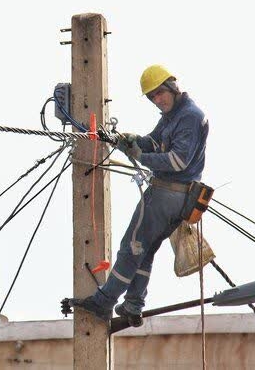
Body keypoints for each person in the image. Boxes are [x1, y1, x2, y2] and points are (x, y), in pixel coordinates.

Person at [72, 64, 209, 327]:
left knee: (131, 246)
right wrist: (131, 140)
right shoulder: (174, 114)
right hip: (175, 197)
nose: (158, 100)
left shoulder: (190, 116)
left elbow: (178, 161)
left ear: (172, 85)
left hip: (168, 194)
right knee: (144, 251)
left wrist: (140, 156)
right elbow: (155, 141)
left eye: (160, 93)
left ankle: (104, 301)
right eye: (152, 97)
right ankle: (133, 304)